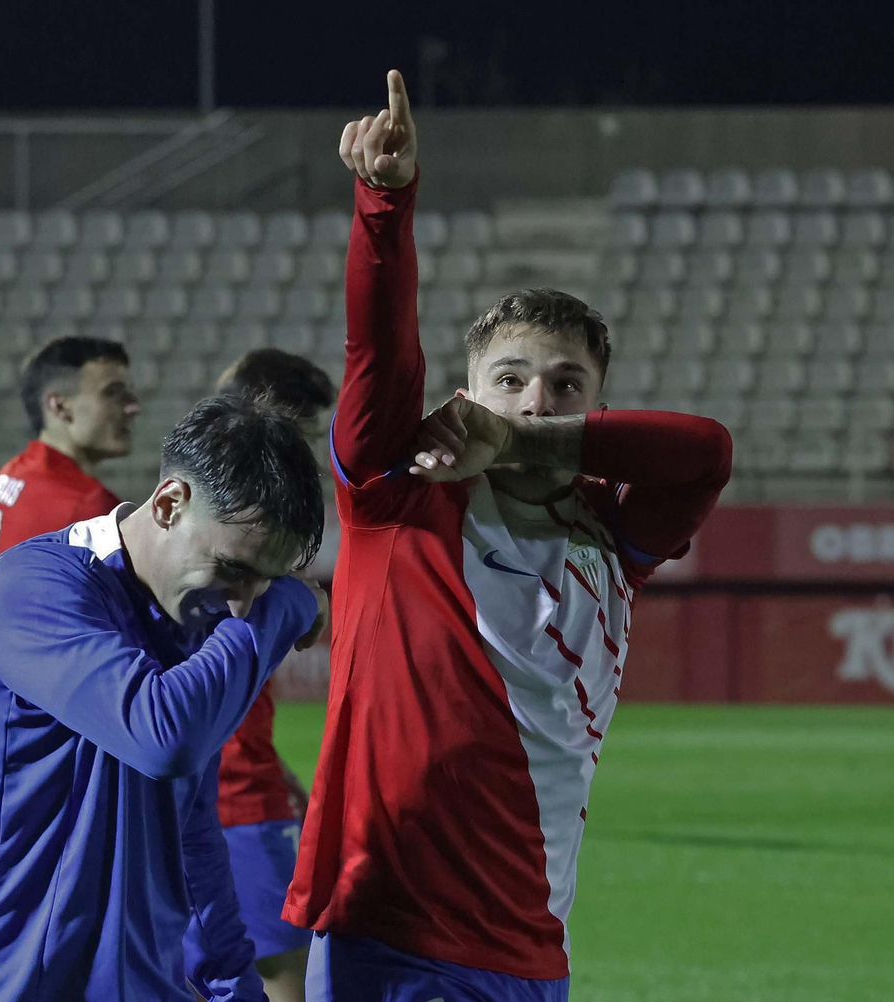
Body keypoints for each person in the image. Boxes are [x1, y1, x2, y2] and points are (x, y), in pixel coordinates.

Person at [283, 71, 734, 1001]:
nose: (538, 396)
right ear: (468, 394)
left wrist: (526, 441)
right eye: (512, 380)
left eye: (566, 384)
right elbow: (377, 348)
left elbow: (707, 452)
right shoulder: (397, 499)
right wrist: (386, 204)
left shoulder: (617, 536)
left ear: (597, 408)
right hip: (389, 933)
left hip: (532, 953)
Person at [0, 394, 331, 1001]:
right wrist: (287, 607)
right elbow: (161, 736)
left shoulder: (195, 624)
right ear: (169, 504)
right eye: (234, 569)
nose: (243, 602)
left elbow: (193, 830)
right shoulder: (36, 587)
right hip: (12, 984)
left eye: (267, 582)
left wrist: (232, 986)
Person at [198, 349, 337, 1002]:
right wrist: (302, 599)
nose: (306, 455)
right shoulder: (252, 530)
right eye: (305, 434)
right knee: (286, 979)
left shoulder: (191, 522)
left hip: (209, 793)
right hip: (236, 805)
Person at [0, 335, 140, 583]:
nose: (132, 407)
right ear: (60, 406)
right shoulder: (89, 505)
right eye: (113, 393)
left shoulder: (13, 472)